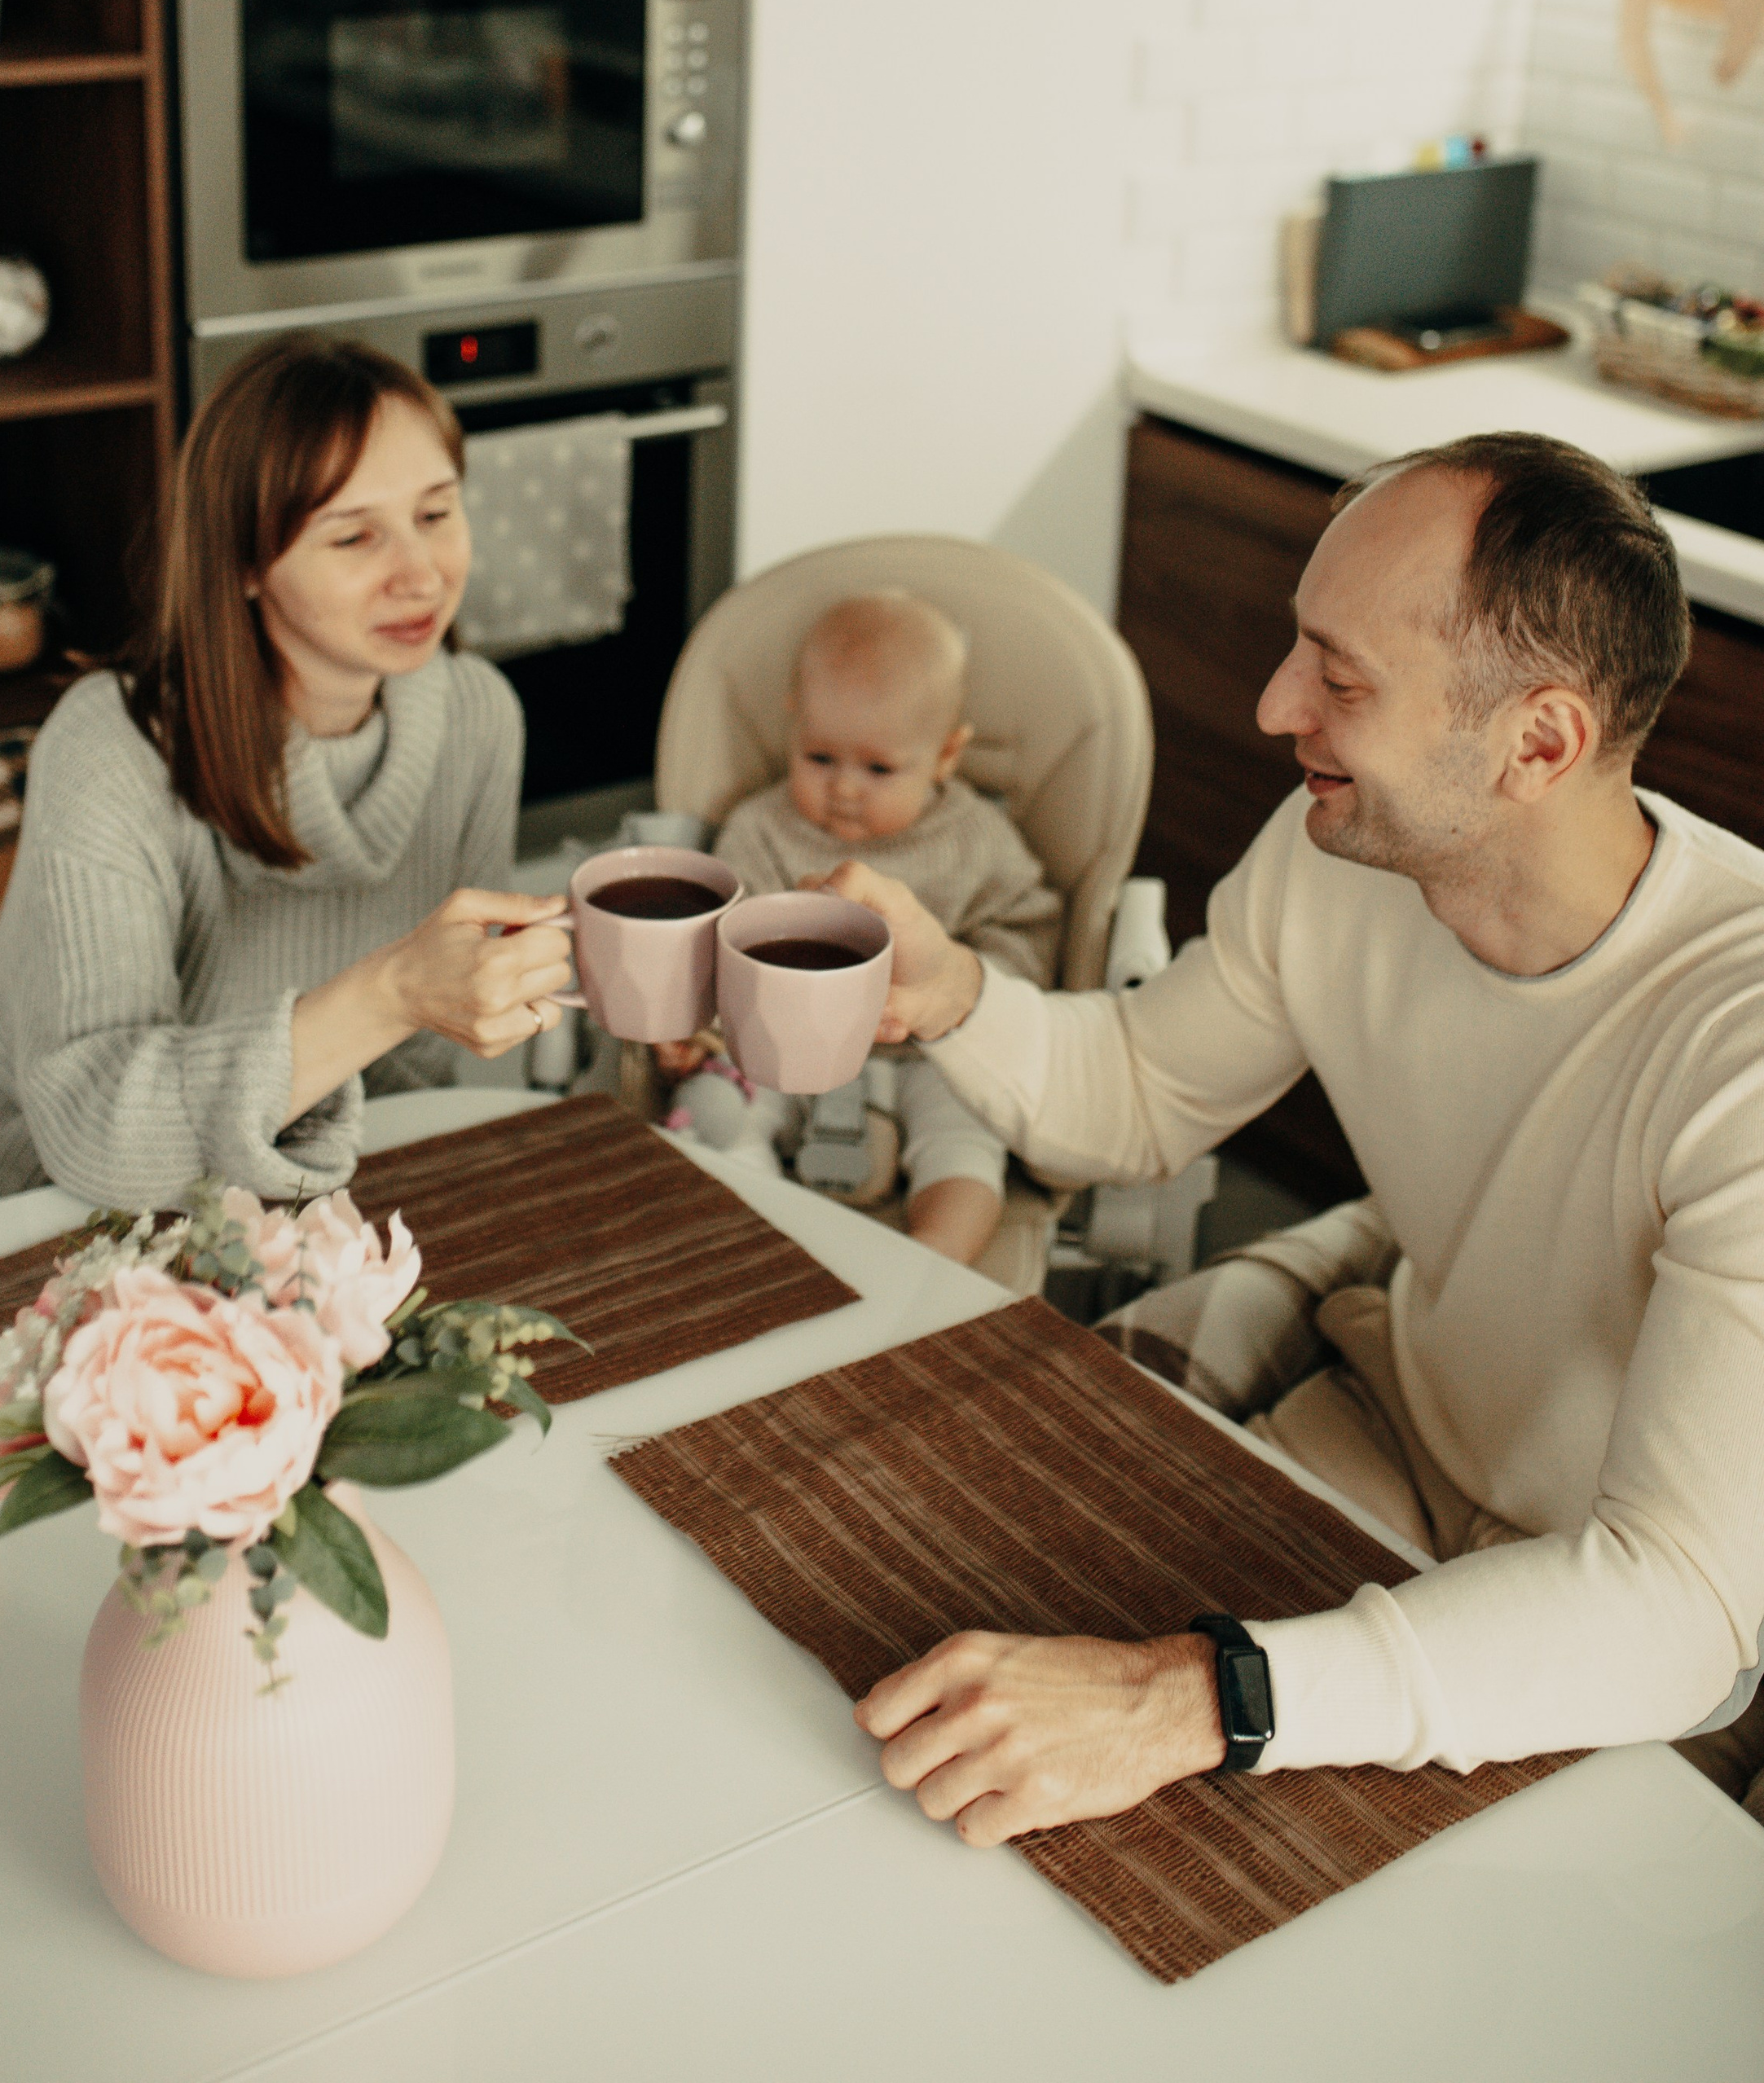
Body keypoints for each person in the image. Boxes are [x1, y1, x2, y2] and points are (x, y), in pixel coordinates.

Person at [814, 434, 1764, 1839]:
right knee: (919, 1625)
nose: (1274, 706)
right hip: (1399, 1427)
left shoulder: (1739, 1040)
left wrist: (1187, 1699)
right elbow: (1140, 1091)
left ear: (1540, 743)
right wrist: (950, 990)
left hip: (1610, 1600)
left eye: (1342, 677)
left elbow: (1676, 1607)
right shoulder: (1348, 852)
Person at [0, 336, 574, 1231]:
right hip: (5, 1213)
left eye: (436, 513)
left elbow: (410, 1076)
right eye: (355, 535)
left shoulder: (478, 716)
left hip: (257, 1210)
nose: (423, 574)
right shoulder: (113, 747)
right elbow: (94, 1131)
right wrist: (390, 991)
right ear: (242, 562)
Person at [671, 591, 1058, 1265]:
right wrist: (703, 1025)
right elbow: (722, 944)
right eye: (820, 757)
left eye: (879, 768)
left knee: (969, 1135)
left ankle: (931, 1261)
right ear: (793, 723)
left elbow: (1027, 928)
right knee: (722, 1113)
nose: (845, 787)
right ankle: (766, 1245)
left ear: (946, 754)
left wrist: (958, 985)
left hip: (927, 1055)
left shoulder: (977, 839)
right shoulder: (759, 829)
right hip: (785, 1045)